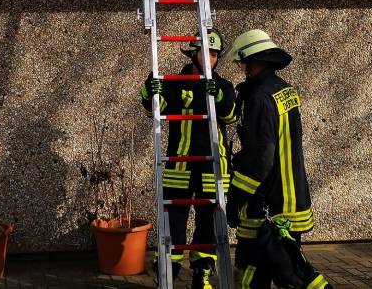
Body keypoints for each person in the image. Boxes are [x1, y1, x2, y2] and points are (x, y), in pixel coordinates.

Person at [224, 30, 332, 289]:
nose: (242, 70)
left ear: (255, 60)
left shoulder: (259, 98)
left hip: (268, 205)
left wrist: (236, 198)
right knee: (288, 267)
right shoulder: (286, 91)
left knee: (263, 271)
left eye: (243, 64)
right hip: (292, 200)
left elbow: (260, 160)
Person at [141, 30, 238, 288]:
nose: (210, 58)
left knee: (208, 224)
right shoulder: (173, 82)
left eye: (214, 54)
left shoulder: (224, 85)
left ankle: (201, 273)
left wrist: (216, 95)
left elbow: (230, 115)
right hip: (179, 167)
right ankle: (168, 272)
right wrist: (148, 90)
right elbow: (156, 109)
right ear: (193, 53)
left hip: (211, 167)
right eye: (205, 52)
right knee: (174, 223)